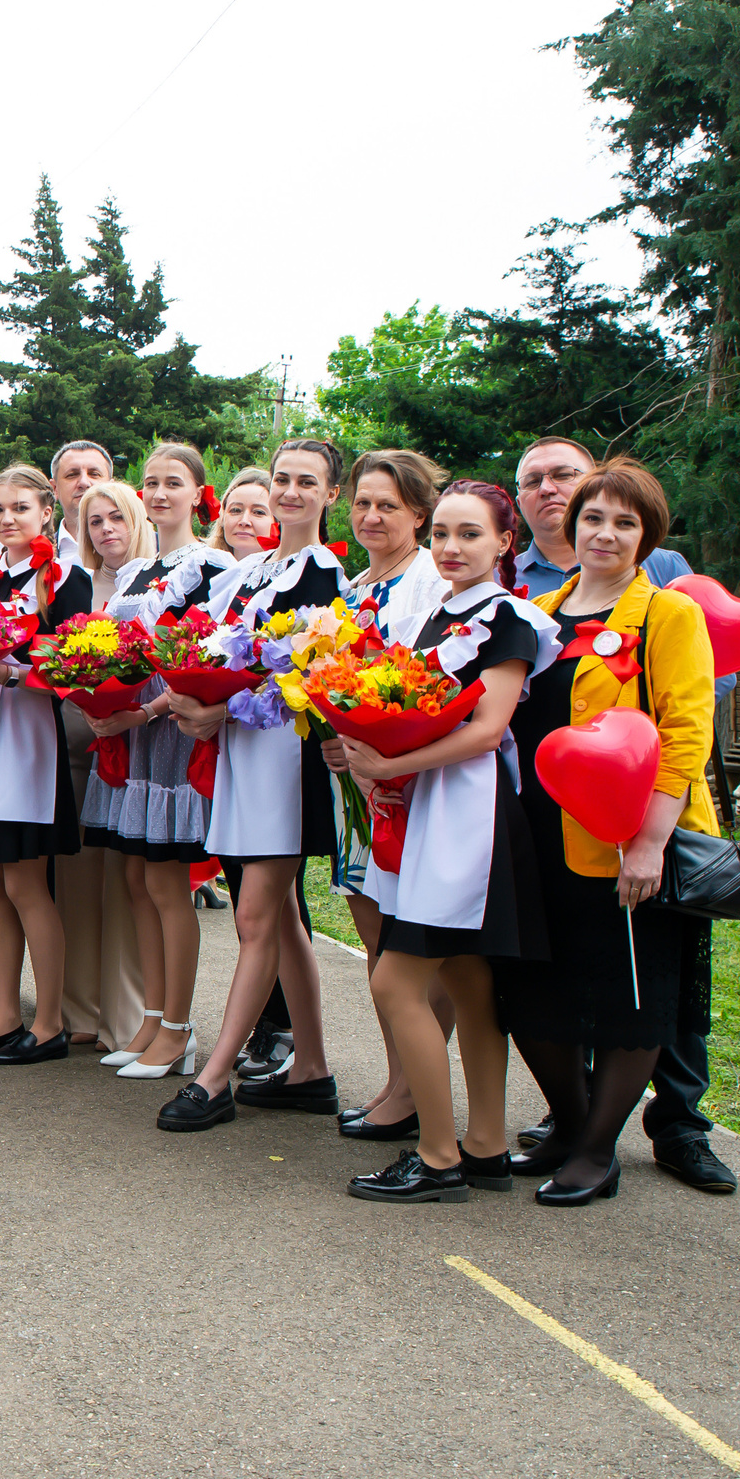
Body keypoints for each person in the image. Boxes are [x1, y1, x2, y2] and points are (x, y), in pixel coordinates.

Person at [498, 461, 725, 1205]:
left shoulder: (667, 614)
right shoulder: (539, 608)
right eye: (595, 517)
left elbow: (687, 733)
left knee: (630, 1001)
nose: (606, 533)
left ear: (646, 537)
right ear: (574, 523)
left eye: (626, 523)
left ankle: (597, 1151)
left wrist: (652, 841)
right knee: (532, 993)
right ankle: (568, 1125)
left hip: (627, 842)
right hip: (540, 836)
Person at [338, 482, 557, 1202]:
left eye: (470, 535)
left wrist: (389, 764)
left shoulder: (508, 619)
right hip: (430, 809)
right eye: (442, 536)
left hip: (473, 817)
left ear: (505, 541)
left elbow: (489, 729)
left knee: (397, 979)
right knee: (467, 980)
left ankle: (438, 1157)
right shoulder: (438, 613)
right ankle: (486, 1146)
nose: (452, 549)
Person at [157, 440, 351, 1131]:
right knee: (285, 921)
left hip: (282, 758)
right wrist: (191, 696)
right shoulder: (252, 569)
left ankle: (215, 1078)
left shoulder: (325, 571)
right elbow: (213, 646)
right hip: (241, 752)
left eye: (307, 482)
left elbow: (309, 676)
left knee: (255, 918)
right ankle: (314, 1069)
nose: (290, 492)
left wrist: (221, 707)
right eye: (282, 479)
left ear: (332, 495)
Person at [0, 465, 95, 1065]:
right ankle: (3, 1015)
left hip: (25, 738)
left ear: (46, 512)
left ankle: (49, 1020)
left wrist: (8, 671)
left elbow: (71, 665)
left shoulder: (63, 579)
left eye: (19, 508)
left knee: (26, 883)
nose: (6, 520)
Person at [313, 450, 450, 1130]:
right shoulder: (354, 586)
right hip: (355, 787)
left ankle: (416, 1091)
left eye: (387, 506)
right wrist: (331, 736)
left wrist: (387, 753)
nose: (369, 515)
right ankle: (399, 1082)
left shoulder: (429, 584)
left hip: (409, 785)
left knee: (415, 950)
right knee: (374, 937)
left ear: (420, 515)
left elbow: (429, 683)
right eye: (362, 503)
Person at [98, 447, 235, 1078]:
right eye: (150, 483)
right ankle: (152, 1019)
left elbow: (208, 660)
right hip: (136, 738)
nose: (158, 493)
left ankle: (178, 1032)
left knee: (170, 884)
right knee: (138, 882)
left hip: (176, 731)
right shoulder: (134, 572)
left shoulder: (215, 566)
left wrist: (145, 713)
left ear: (199, 494)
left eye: (172, 483)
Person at [62, 476, 151, 1053]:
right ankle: (79, 1013)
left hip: (136, 744)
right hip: (73, 746)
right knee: (75, 883)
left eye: (116, 517)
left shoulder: (159, 579)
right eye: (95, 521)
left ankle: (127, 1019)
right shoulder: (73, 584)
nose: (106, 530)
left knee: (127, 886)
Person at [512, 436, 692, 598]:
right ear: (519, 504)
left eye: (563, 475)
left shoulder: (665, 567)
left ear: (595, 483)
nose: (547, 489)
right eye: (533, 481)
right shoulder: (498, 582)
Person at [209, 468, 276, 560]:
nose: (244, 521)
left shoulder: (293, 572)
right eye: (235, 510)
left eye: (258, 512)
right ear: (222, 517)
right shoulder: (198, 568)